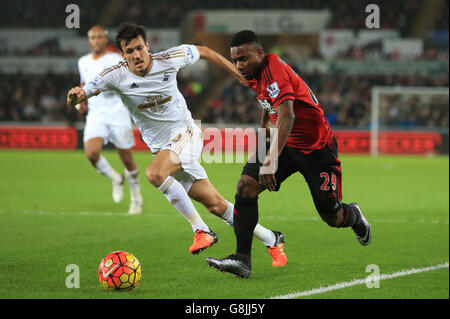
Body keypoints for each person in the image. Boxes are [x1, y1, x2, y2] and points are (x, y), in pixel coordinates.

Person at [67, 23, 288, 266]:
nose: (136, 55)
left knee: (154, 173)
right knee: (216, 205)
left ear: (147, 46)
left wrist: (236, 73)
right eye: (129, 51)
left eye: (139, 48)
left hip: (187, 134)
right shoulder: (115, 75)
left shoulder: (169, 58)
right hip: (165, 149)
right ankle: (271, 238)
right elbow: (85, 91)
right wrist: (76, 95)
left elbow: (204, 51)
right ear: (123, 54)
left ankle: (201, 230)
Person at [206, 30, 371, 278]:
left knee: (331, 215)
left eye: (243, 59)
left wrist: (270, 161)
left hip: (317, 149)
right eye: (236, 60)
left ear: (259, 53)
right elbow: (262, 95)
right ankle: (242, 259)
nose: (239, 65)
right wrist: (263, 121)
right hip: (285, 141)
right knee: (245, 187)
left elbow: (288, 115)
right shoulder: (254, 72)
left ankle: (355, 215)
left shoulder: (274, 70)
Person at [76, 25, 143, 215]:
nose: (96, 40)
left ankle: (136, 197)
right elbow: (84, 83)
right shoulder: (83, 61)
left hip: (117, 112)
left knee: (126, 158)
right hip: (96, 114)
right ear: (89, 40)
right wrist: (81, 100)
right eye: (92, 37)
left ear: (105, 39)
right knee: (91, 153)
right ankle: (115, 178)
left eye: (99, 37)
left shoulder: (116, 59)